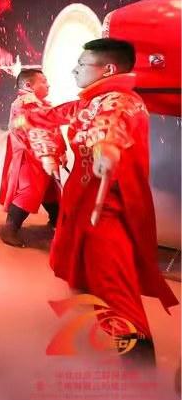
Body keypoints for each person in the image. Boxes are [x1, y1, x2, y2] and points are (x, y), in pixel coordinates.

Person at [26, 38, 177, 365]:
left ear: (107, 69)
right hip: (84, 207)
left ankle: (139, 372)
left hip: (107, 212)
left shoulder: (121, 102)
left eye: (82, 65)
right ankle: (110, 343)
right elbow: (45, 118)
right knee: (89, 282)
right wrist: (48, 151)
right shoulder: (90, 102)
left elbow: (110, 128)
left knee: (115, 290)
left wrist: (106, 150)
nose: (75, 70)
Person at [0, 69, 64, 247]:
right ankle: (10, 228)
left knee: (50, 190)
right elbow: (32, 131)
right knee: (28, 191)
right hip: (30, 157)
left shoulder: (41, 105)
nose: (48, 85)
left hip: (45, 156)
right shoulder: (23, 104)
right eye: (43, 81)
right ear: (28, 85)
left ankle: (57, 220)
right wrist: (47, 154)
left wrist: (61, 150)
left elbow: (53, 129)